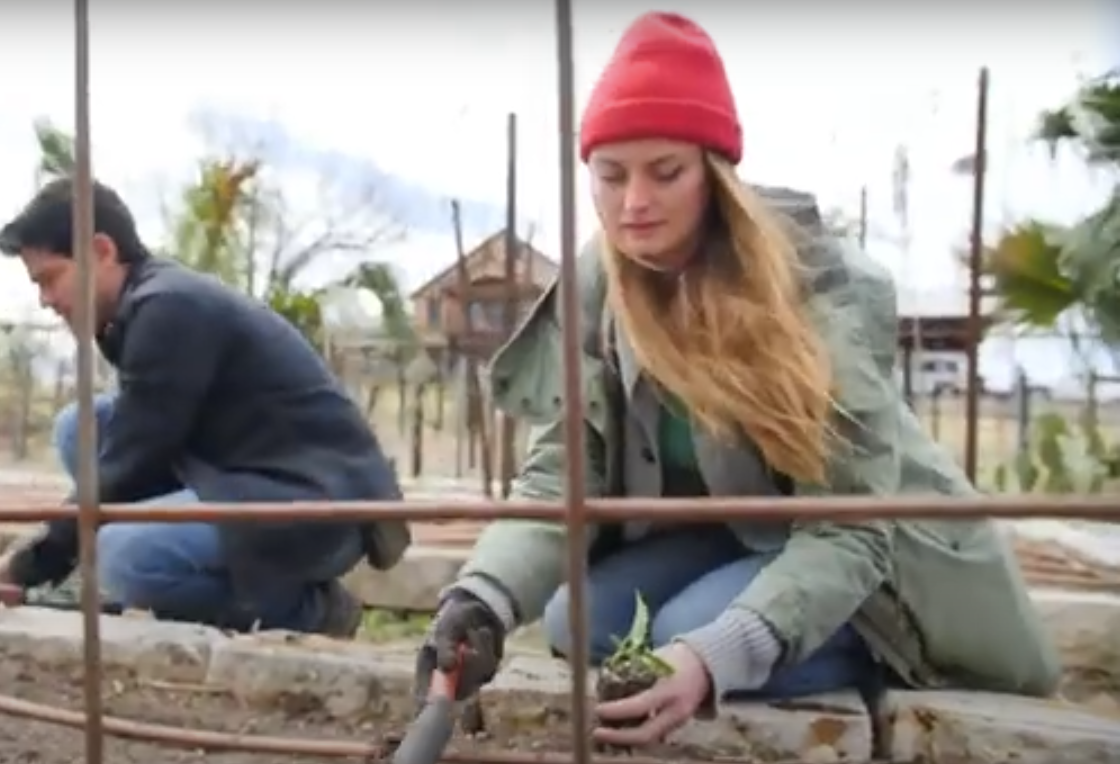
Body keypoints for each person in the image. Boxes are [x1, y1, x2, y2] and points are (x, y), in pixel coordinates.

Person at [415, 11, 1059, 748]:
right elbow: (558, 477)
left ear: (714, 175)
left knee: (692, 636)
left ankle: (867, 651)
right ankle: (752, 629)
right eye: (610, 174)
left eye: (665, 172)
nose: (633, 204)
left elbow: (849, 526)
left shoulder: (812, 285)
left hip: (869, 557)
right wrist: (480, 599)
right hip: (736, 533)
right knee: (574, 619)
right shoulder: (596, 284)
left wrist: (711, 656)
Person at [0, 178, 410, 637]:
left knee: (121, 557)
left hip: (317, 505)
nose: (44, 300)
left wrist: (25, 565)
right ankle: (171, 576)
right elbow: (135, 450)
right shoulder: (137, 310)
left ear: (102, 251)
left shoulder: (169, 309)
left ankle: (308, 610)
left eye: (49, 279)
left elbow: (131, 463)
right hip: (240, 474)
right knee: (78, 428)